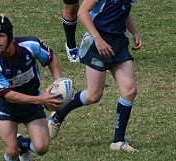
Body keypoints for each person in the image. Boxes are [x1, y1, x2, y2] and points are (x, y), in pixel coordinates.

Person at [0, 14, 63, 161]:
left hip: (31, 104)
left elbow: (50, 58)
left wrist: (60, 83)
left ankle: (24, 145)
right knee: (11, 151)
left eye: (1, 36)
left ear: (10, 36)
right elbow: (9, 96)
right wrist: (41, 99)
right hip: (7, 107)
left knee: (42, 148)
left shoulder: (31, 45)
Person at [48, 0, 142, 152]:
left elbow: (123, 10)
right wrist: (98, 39)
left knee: (129, 90)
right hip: (96, 44)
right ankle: (58, 115)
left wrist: (134, 31)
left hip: (118, 43)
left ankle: (118, 141)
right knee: (93, 95)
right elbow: (82, 12)